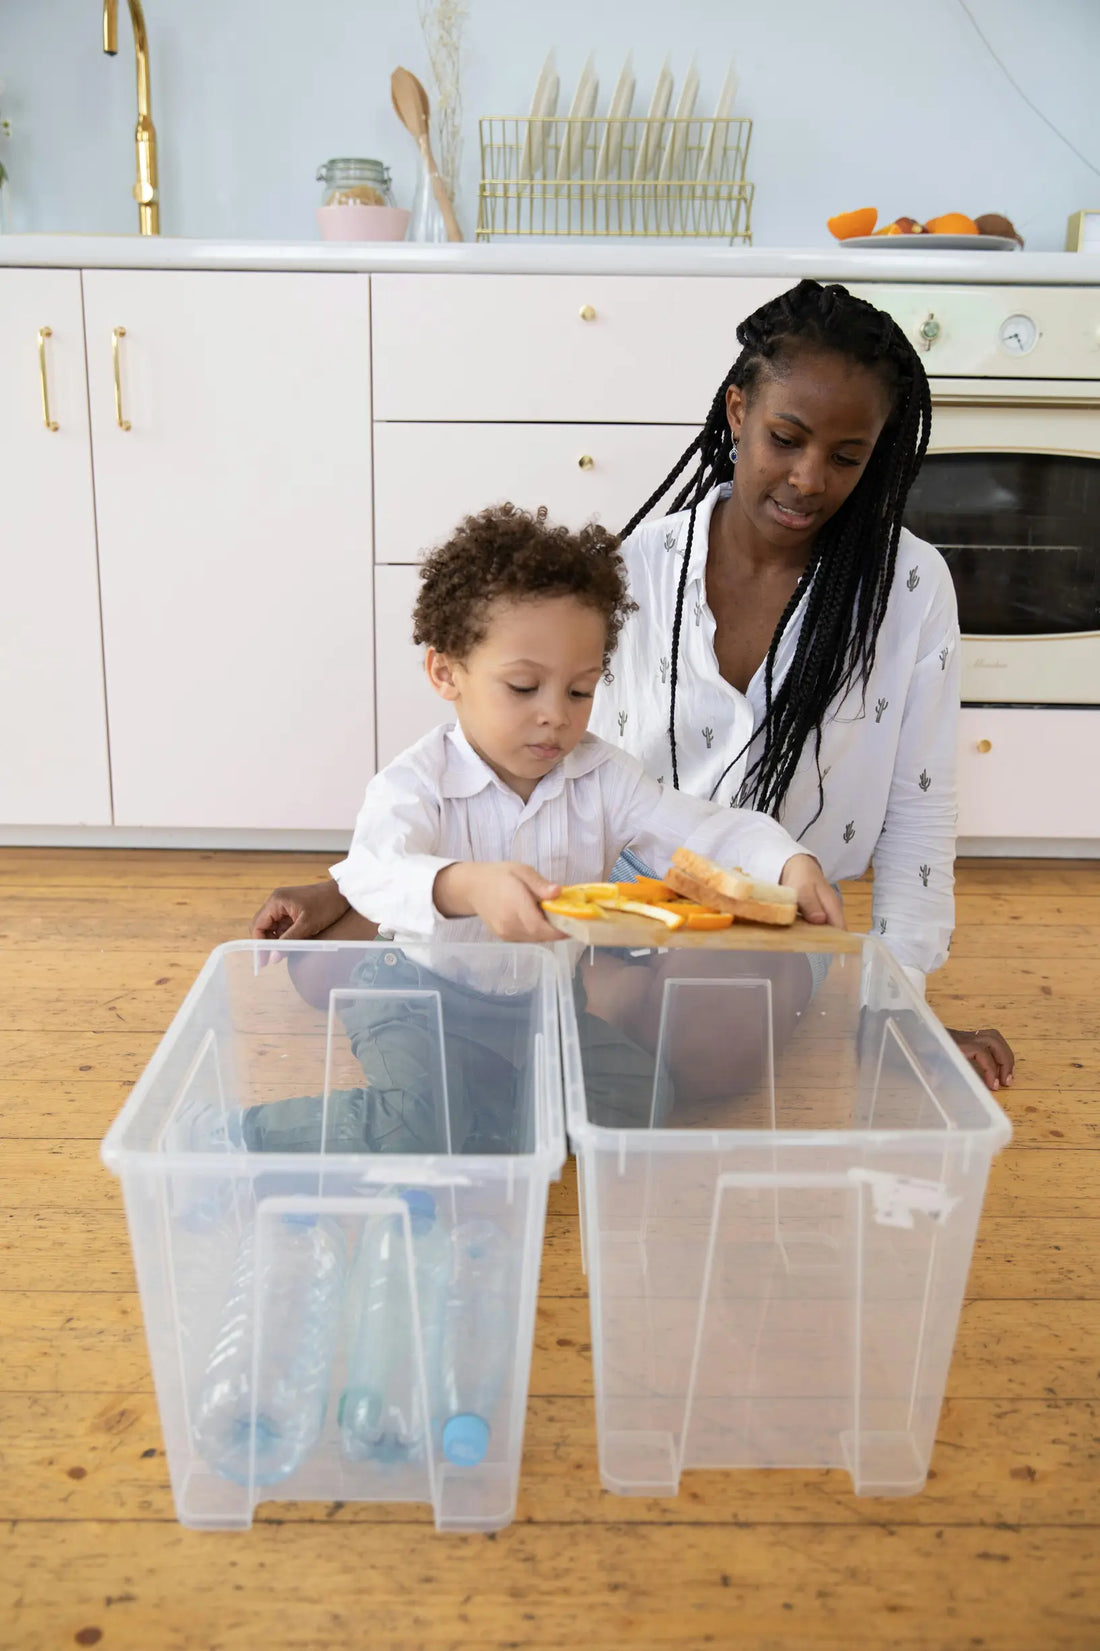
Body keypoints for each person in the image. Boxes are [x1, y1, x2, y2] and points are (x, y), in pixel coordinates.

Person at [251, 279, 1013, 1093]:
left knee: (711, 1045)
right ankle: (529, 982)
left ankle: (529, 997)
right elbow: (526, 762)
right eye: (785, 438)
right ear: (738, 412)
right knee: (314, 960)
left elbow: (918, 808)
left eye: (846, 457)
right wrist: (362, 876)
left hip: (764, 909)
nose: (808, 477)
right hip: (595, 884)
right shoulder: (636, 569)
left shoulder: (908, 588)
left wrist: (898, 1004)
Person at [243, 502, 841, 1149]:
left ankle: (455, 1115)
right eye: (524, 687)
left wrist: (788, 863)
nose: (556, 714)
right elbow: (373, 871)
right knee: (414, 1120)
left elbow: (706, 831)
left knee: (639, 1100)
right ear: (446, 672)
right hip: (415, 998)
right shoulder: (418, 781)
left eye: (580, 691)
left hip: (540, 1010)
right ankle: (241, 1137)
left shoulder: (606, 779)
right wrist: (467, 886)